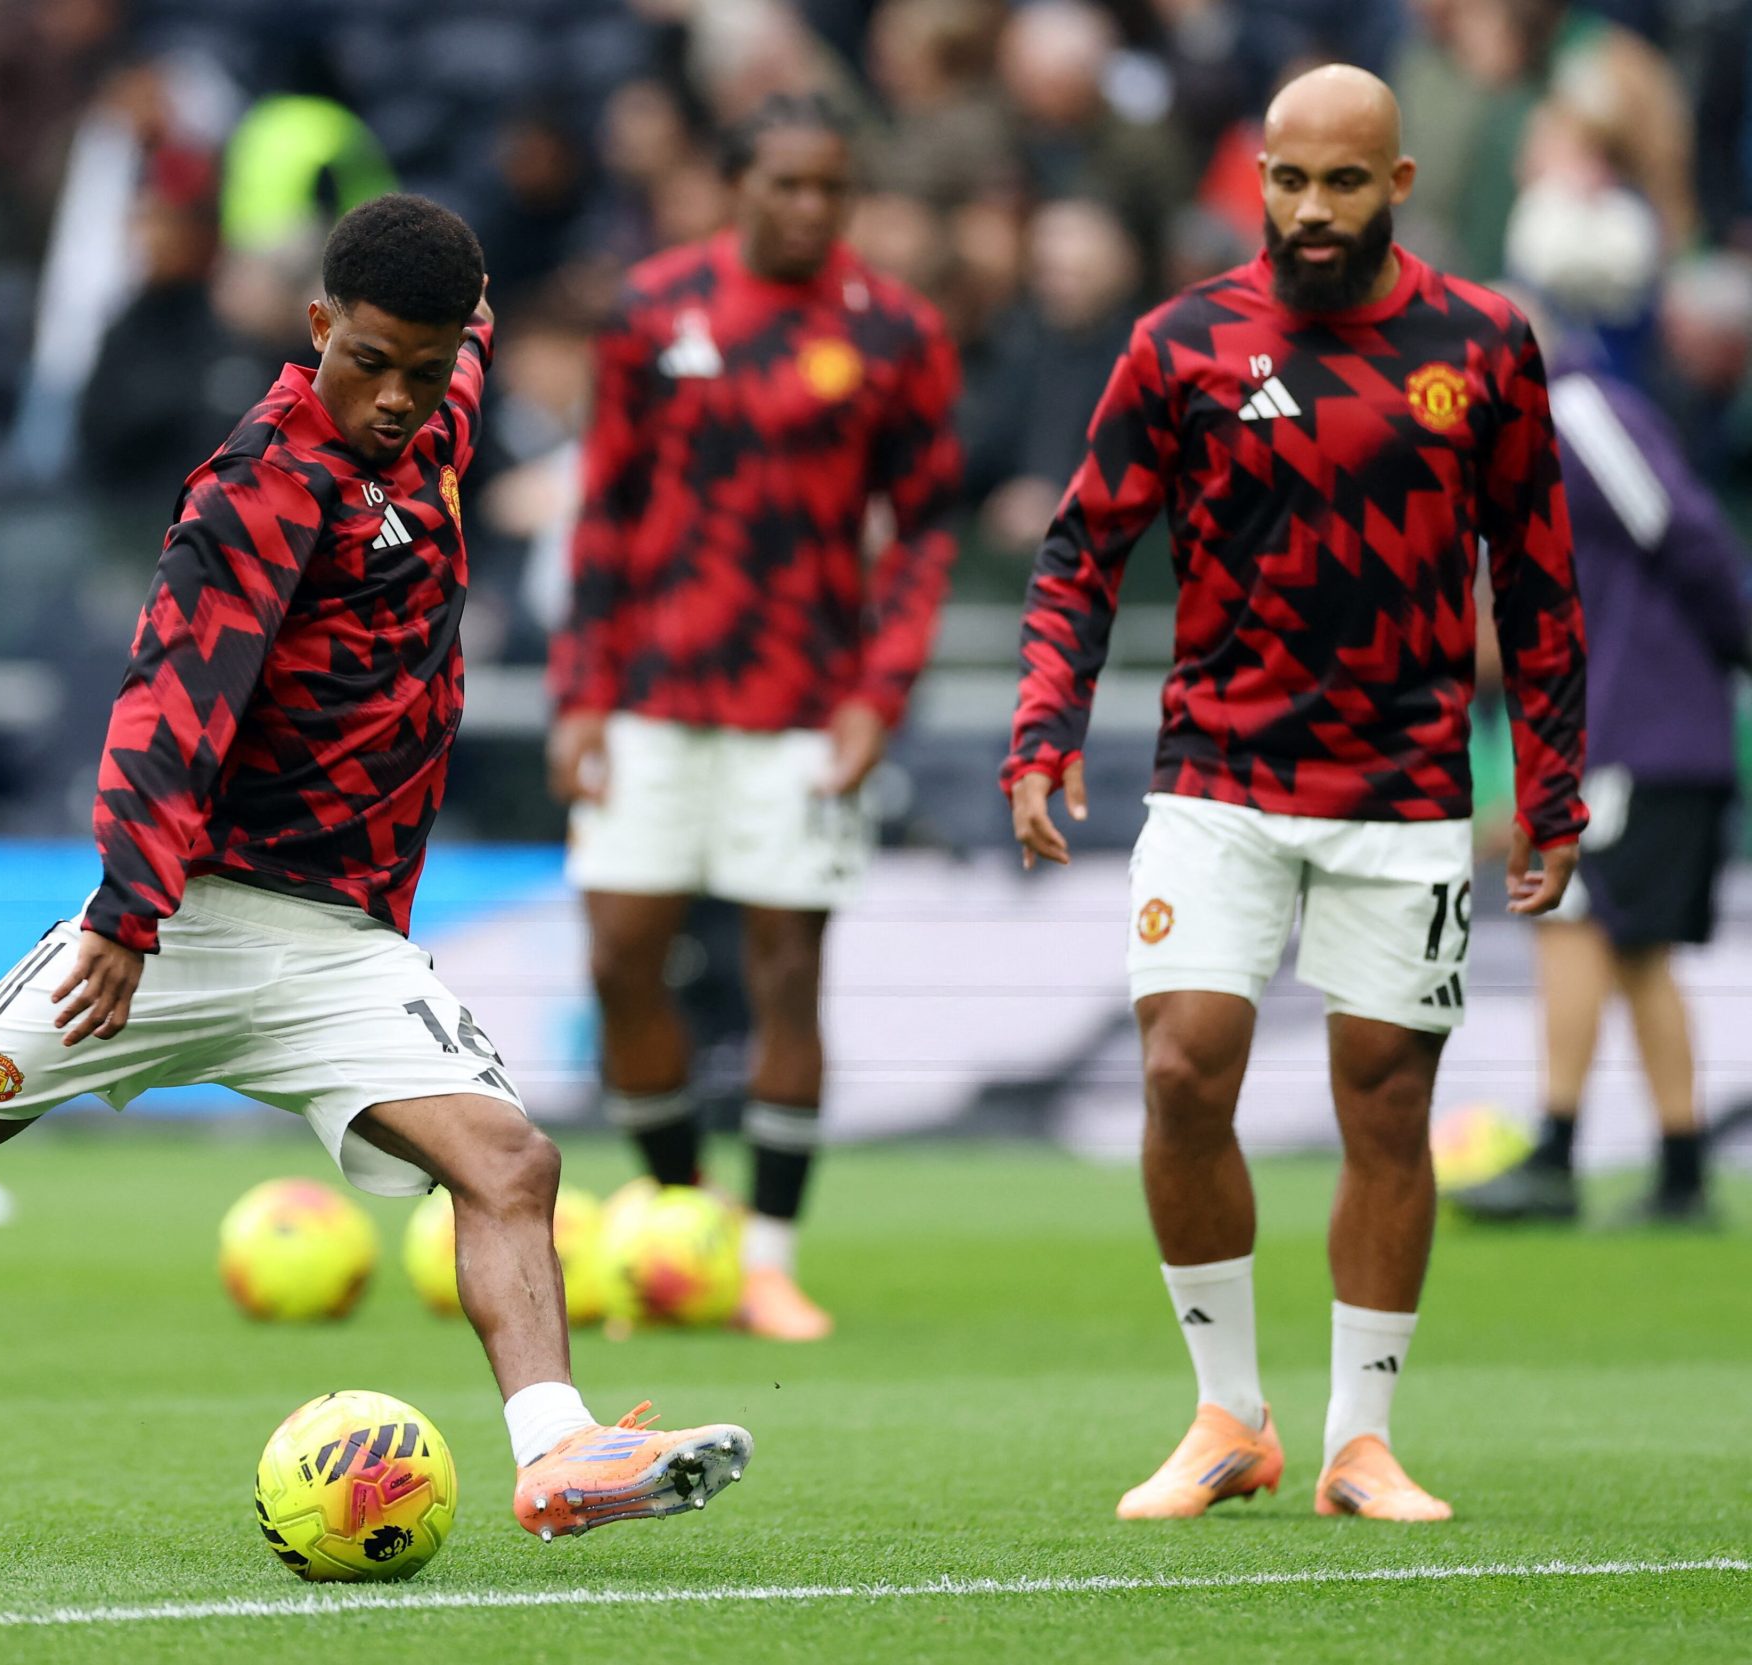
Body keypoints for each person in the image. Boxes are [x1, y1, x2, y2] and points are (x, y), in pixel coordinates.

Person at [0, 194, 754, 1541]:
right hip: (184, 922)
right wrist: (126, 909)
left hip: (342, 941)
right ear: (317, 323)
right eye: (371, 361)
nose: (397, 398)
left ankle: (557, 1451)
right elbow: (171, 710)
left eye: (428, 365)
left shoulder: (442, 404)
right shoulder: (257, 491)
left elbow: (467, 313)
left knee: (511, 1163)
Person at [1003, 66, 1587, 1523]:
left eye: (1341, 183)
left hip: (1405, 785)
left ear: (1398, 184)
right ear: (1256, 179)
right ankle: (1226, 1415)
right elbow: (1083, 549)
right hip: (1219, 771)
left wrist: (1558, 789)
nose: (1310, 212)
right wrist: (1042, 730)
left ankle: (1358, 1440)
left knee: (1386, 1103)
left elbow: (1540, 578)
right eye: (1286, 182)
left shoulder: (1485, 341)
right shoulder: (1181, 342)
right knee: (1182, 1067)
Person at [547, 94, 962, 1342]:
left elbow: (928, 529)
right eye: (784, 184)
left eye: (829, 187)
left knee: (790, 971)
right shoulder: (652, 310)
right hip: (654, 694)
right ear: (736, 188)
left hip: (803, 706)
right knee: (622, 956)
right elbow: (605, 510)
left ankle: (770, 1256)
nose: (808, 208)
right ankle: (686, 1231)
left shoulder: (895, 332)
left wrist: (878, 693)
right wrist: (578, 693)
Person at [1451, 312, 1747, 1229]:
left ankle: (1558, 1150)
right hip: (1632, 725)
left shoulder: (1575, 411)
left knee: (1572, 916)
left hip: (1639, 723)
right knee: (1630, 944)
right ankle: (1681, 1165)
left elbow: (1681, 529)